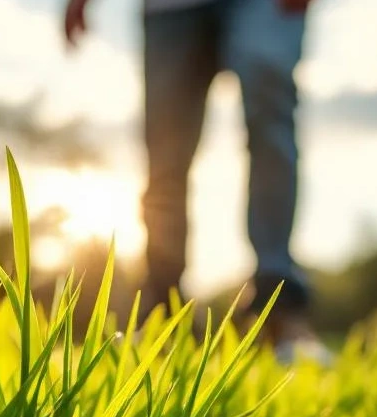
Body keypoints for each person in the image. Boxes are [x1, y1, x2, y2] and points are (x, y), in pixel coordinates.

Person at [63, 0, 328, 362]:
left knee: (270, 108)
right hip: (168, 9)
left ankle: (279, 310)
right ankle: (162, 314)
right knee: (164, 155)